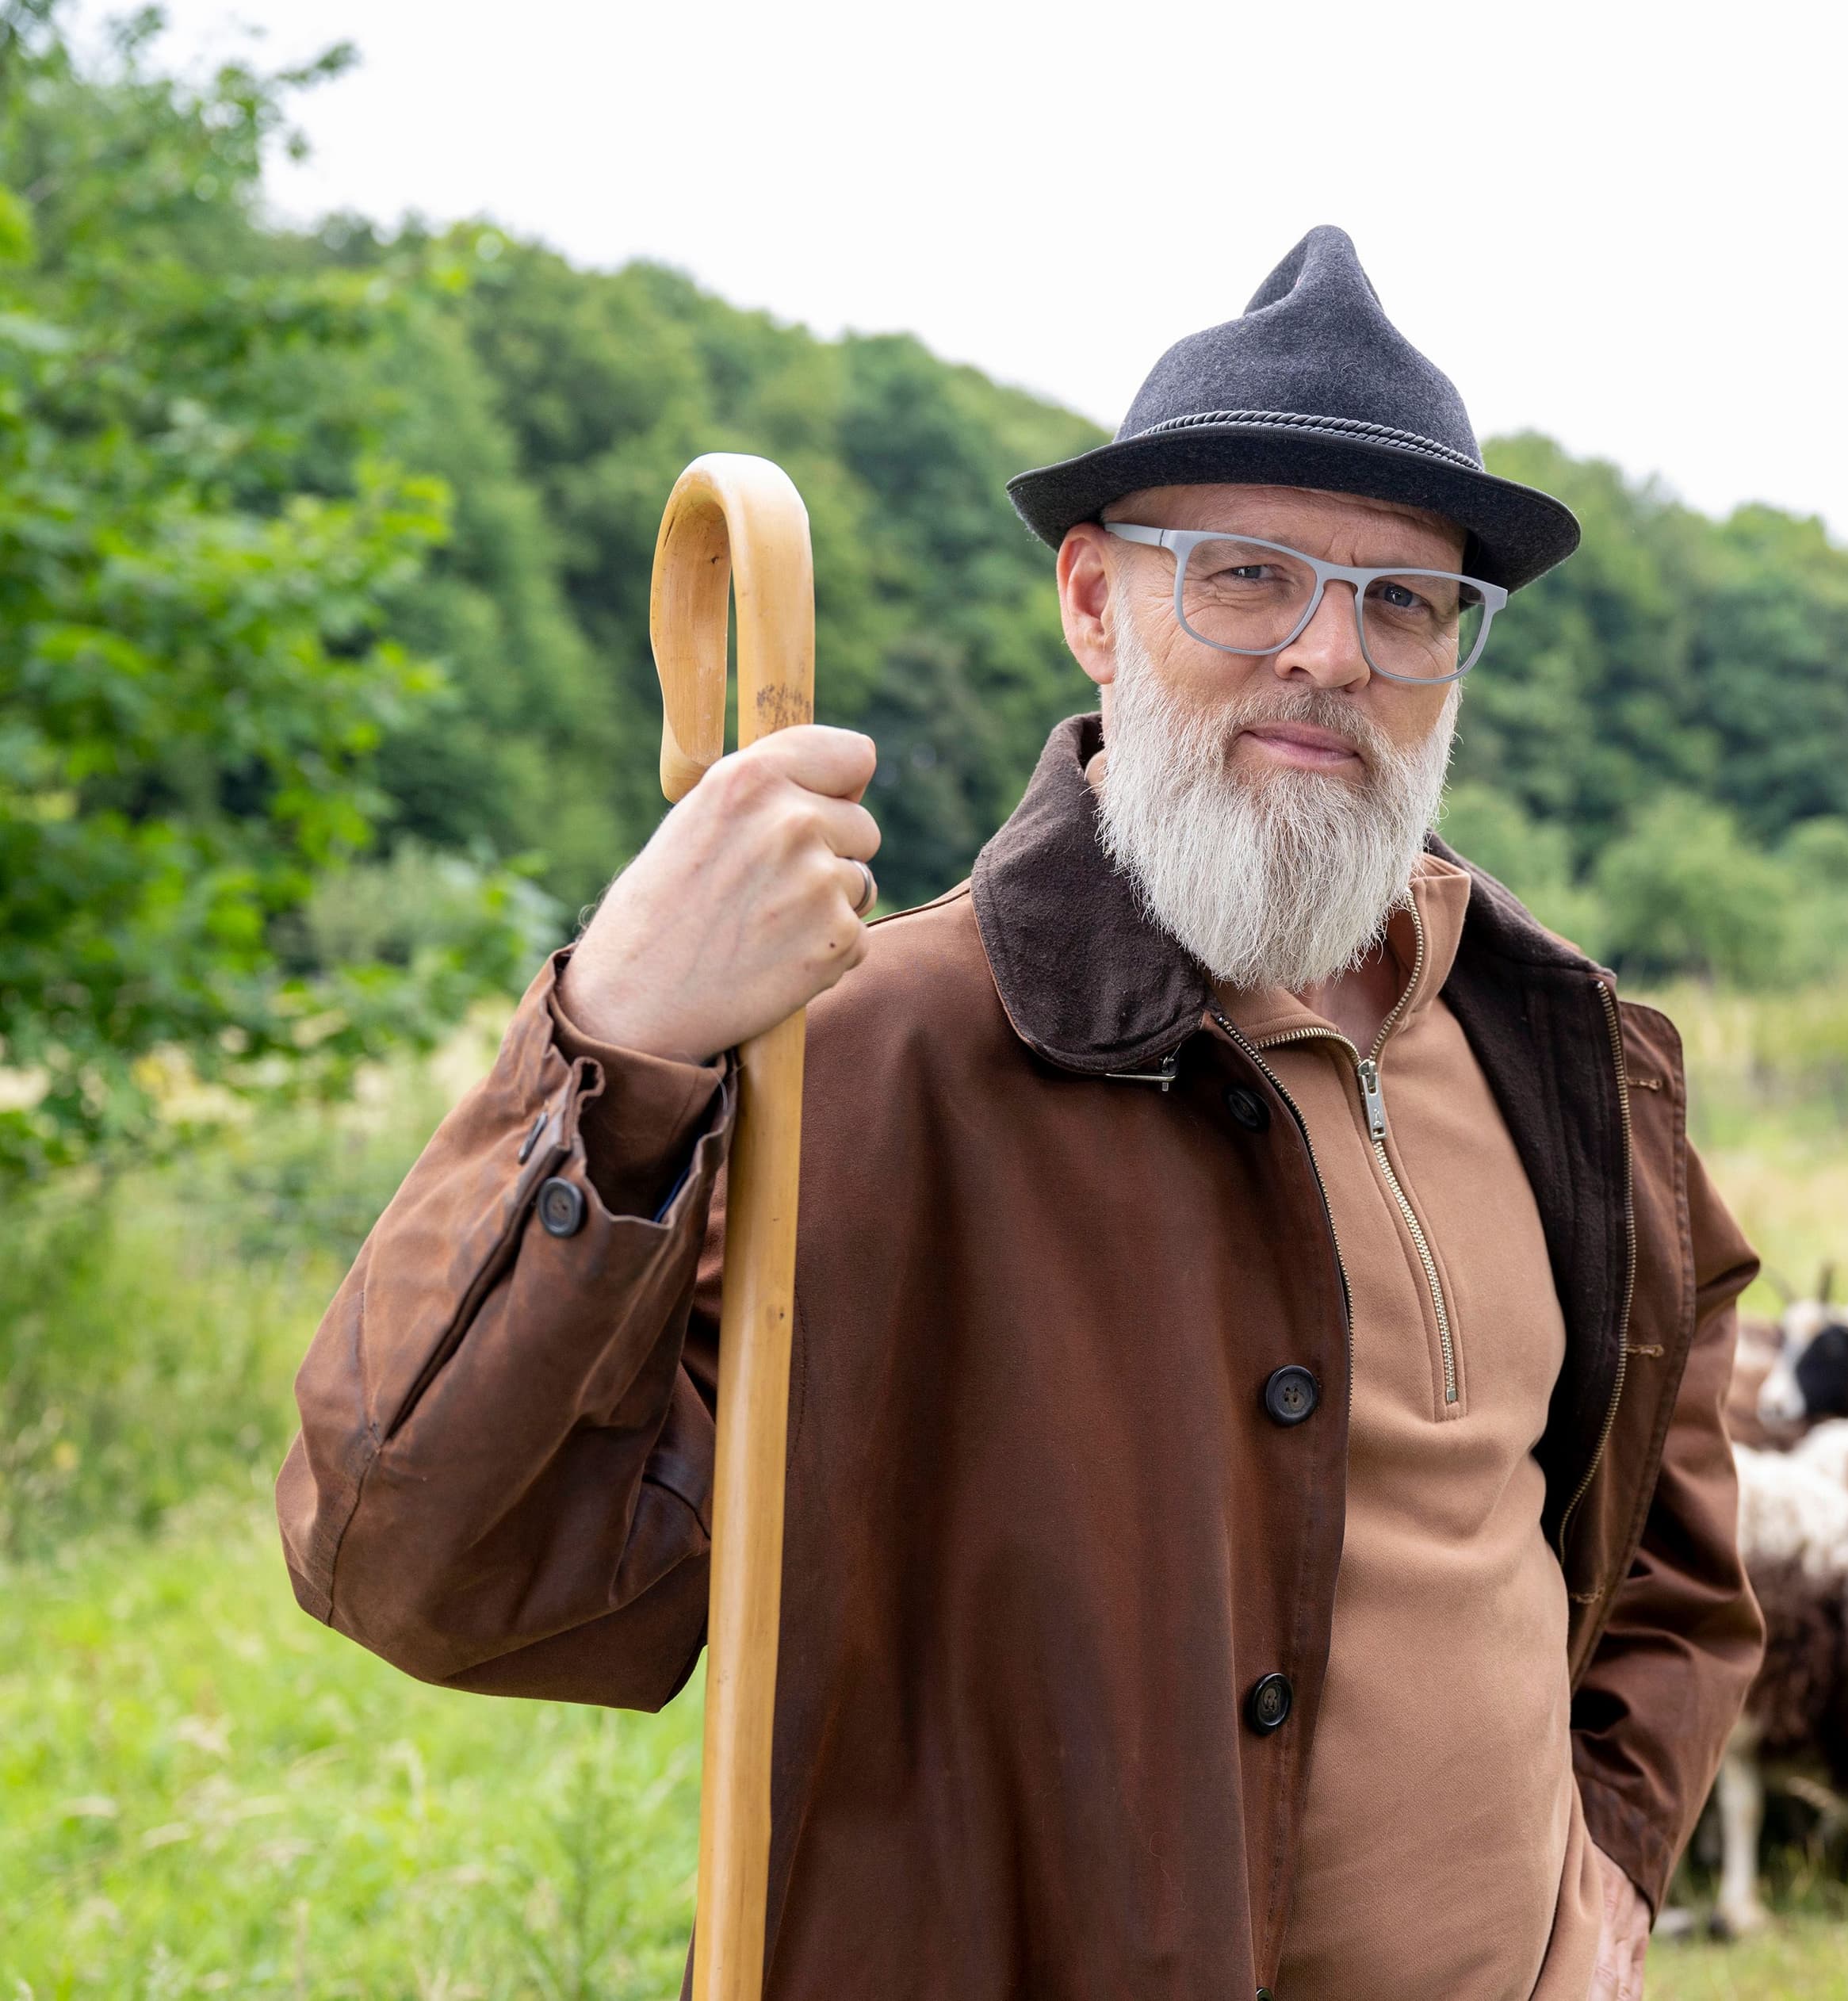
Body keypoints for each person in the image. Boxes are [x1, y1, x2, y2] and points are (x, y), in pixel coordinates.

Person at [277, 225, 1762, 1999]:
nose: (1329, 652)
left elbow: (1667, 1547)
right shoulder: (862, 1061)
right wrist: (614, 1036)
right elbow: (428, 1561)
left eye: (1403, 601)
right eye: (1243, 576)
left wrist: (1612, 1862)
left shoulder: (1570, 1056)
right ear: (1089, 599)